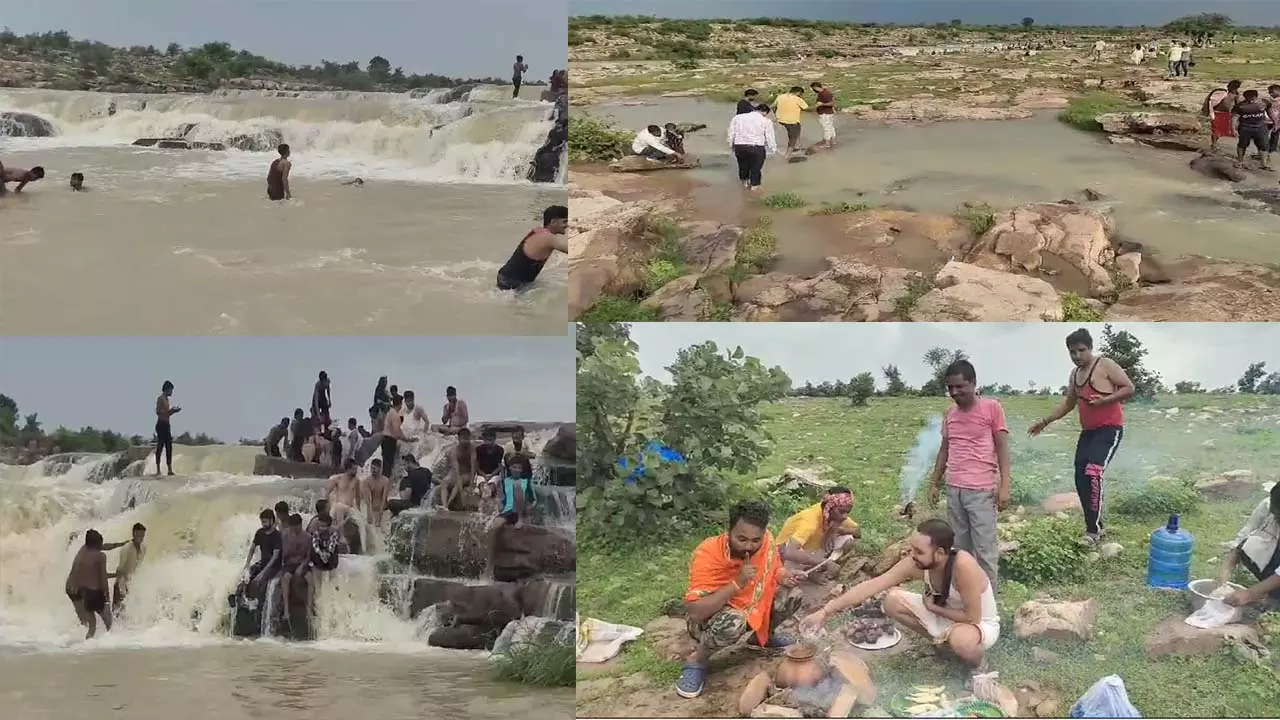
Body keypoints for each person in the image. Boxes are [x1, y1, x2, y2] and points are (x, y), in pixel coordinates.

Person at [800, 519, 1001, 673]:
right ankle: (943, 646)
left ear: (940, 553)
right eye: (912, 547)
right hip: (945, 614)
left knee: (962, 641)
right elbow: (873, 585)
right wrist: (825, 611)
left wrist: (933, 608)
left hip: (978, 623)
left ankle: (978, 664)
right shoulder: (917, 563)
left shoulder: (962, 566)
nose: (911, 554)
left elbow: (972, 617)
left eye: (919, 551)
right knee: (892, 601)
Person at [676, 501, 802, 699]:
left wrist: (784, 575)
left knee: (793, 595)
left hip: (750, 607)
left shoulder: (767, 541)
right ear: (729, 531)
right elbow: (695, 611)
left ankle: (762, 637)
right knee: (733, 623)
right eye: (741, 539)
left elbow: (773, 570)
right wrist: (737, 583)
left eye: (755, 540)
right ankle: (697, 660)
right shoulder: (708, 553)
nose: (749, 546)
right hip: (710, 617)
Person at [1028, 328, 1133, 543]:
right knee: (1080, 478)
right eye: (1072, 352)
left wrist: (1104, 401)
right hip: (1088, 432)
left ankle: (1092, 532)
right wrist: (1045, 421)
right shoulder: (1075, 375)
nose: (1077, 356)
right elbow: (1068, 404)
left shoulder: (1105, 365)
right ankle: (1096, 525)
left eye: (1081, 350)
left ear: (1090, 348)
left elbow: (1129, 388)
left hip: (1109, 429)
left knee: (1093, 473)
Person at [926, 360, 1010, 588]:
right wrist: (934, 482)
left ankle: (989, 609)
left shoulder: (992, 408)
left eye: (960, 386)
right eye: (950, 388)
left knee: (985, 551)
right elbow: (945, 449)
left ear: (973, 383)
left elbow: (1002, 447)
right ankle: (966, 596)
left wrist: (1004, 486)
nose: (954, 392)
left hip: (981, 491)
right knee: (960, 551)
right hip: (955, 489)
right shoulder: (950, 413)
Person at [776, 486, 860, 578]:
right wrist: (823, 563)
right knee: (790, 572)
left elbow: (857, 531)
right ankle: (812, 570)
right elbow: (789, 552)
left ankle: (813, 568)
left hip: (810, 549)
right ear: (829, 507)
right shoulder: (810, 520)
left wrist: (835, 529)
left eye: (847, 512)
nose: (844, 516)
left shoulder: (835, 514)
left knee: (848, 539)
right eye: (842, 512)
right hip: (783, 555)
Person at [1221, 483, 1280, 610]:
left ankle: (1275, 596)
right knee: (1250, 544)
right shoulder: (1268, 505)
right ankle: (1268, 587)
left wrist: (1249, 593)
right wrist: (1226, 569)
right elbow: (1245, 535)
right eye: (1275, 513)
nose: (1276, 517)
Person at [485, 454, 538, 578]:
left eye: (519, 468)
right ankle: (489, 561)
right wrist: (499, 505)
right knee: (493, 527)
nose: (516, 470)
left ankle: (519, 519)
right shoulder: (504, 482)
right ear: (510, 468)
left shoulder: (526, 482)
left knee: (518, 487)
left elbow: (534, 500)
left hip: (522, 511)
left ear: (522, 470)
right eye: (514, 467)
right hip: (508, 511)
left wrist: (530, 507)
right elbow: (501, 497)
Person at [495, 204, 569, 292]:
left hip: (506, 277)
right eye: (564, 222)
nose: (567, 225)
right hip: (511, 283)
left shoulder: (538, 231)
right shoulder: (548, 238)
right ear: (553, 222)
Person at [66, 529, 113, 639]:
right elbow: (103, 578)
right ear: (98, 544)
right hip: (95, 593)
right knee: (109, 623)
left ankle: (87, 646)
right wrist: (107, 599)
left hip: (85, 594)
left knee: (92, 626)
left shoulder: (83, 554)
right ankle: (110, 644)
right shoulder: (101, 556)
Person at [727, 103, 777, 193]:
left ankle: (744, 185)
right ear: (765, 112)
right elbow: (770, 136)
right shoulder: (766, 121)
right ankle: (754, 187)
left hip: (740, 146)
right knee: (756, 167)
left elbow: (731, 132)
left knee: (742, 166)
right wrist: (773, 149)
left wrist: (731, 145)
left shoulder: (737, 118)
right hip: (756, 147)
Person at [278, 513, 311, 623]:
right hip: (289, 564)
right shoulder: (285, 535)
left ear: (300, 525)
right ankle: (286, 610)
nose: (294, 529)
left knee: (310, 580)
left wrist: (301, 566)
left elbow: (308, 556)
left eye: (296, 527)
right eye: (292, 527)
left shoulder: (307, 537)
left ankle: (309, 609)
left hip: (302, 563)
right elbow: (283, 554)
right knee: (286, 579)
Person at [106, 522, 147, 610]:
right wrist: (123, 587)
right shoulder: (126, 549)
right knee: (117, 612)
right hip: (121, 583)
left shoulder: (144, 548)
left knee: (131, 611)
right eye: (138, 535)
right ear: (133, 534)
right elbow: (120, 570)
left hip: (132, 583)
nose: (140, 538)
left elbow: (138, 567)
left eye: (142, 536)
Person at [243, 509, 282, 599]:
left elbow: (275, 557)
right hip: (263, 563)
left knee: (260, 581)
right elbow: (252, 549)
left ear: (272, 520)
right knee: (245, 577)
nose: (263, 524)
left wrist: (263, 573)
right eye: (262, 522)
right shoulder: (260, 533)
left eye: (265, 522)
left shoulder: (277, 536)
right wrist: (247, 564)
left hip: (274, 567)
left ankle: (259, 606)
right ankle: (244, 602)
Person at [1233, 89, 1272, 170]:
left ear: (1256, 97)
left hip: (1261, 127)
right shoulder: (1240, 106)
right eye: (1248, 98)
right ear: (1245, 98)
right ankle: (1240, 162)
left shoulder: (1264, 103)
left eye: (1252, 98)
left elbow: (1270, 112)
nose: (1250, 100)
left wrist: (1275, 122)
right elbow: (1235, 118)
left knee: (1263, 145)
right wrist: (1233, 129)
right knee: (1242, 145)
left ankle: (1264, 164)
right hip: (1245, 128)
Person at [443, 427, 477, 510]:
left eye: (467, 438)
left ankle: (450, 501)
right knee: (444, 482)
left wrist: (471, 484)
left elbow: (473, 466)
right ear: (458, 438)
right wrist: (461, 491)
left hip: (467, 473)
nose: (465, 441)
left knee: (461, 480)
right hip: (456, 472)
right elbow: (456, 470)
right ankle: (444, 506)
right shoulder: (454, 451)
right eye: (463, 438)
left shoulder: (472, 448)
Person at [1204, 80, 1241, 152]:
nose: (1235, 88)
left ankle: (1214, 144)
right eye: (1234, 86)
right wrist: (1211, 113)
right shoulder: (1222, 92)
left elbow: (1237, 103)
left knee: (1221, 130)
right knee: (1216, 130)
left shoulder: (1235, 93)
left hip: (1226, 114)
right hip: (1217, 112)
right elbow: (1212, 103)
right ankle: (1214, 145)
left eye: (1236, 87)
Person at [475, 428, 506, 511]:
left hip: (494, 474)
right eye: (487, 440)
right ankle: (483, 506)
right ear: (484, 440)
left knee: (492, 486)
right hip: (482, 473)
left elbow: (500, 466)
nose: (489, 442)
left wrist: (491, 475)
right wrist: (484, 475)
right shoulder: (478, 449)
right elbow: (476, 466)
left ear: (495, 439)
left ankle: (489, 505)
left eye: (491, 440)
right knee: (482, 486)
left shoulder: (499, 450)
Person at [774, 87, 808, 159]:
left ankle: (797, 146)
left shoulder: (780, 96)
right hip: (791, 121)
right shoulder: (797, 99)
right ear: (798, 92)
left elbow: (772, 106)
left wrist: (776, 114)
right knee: (793, 137)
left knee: (798, 127)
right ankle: (787, 155)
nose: (801, 95)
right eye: (801, 94)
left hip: (780, 119)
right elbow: (806, 108)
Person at [154, 380, 180, 476]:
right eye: (171, 390)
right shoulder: (160, 399)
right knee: (160, 446)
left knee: (169, 446)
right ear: (167, 389)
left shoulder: (167, 400)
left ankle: (169, 469)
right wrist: (170, 411)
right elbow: (158, 412)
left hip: (166, 424)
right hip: (161, 425)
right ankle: (158, 469)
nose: (172, 392)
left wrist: (173, 411)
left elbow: (167, 413)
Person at [327, 459, 362, 527]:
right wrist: (328, 507)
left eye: (356, 469)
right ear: (348, 469)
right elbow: (327, 493)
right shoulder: (337, 478)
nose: (356, 471)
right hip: (338, 507)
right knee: (339, 507)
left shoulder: (356, 480)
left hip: (349, 508)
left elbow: (358, 496)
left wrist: (359, 510)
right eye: (354, 469)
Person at [381, 395, 407, 478]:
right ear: (400, 404)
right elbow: (397, 432)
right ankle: (385, 484)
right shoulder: (395, 415)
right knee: (388, 467)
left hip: (386, 440)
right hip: (389, 441)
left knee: (386, 465)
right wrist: (408, 439)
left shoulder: (390, 412)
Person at [810, 82, 837, 149]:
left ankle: (827, 143)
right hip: (828, 113)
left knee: (826, 128)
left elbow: (832, 103)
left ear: (815, 87)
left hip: (825, 113)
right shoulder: (825, 92)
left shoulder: (824, 94)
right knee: (830, 127)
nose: (813, 90)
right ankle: (833, 141)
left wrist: (821, 104)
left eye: (813, 89)